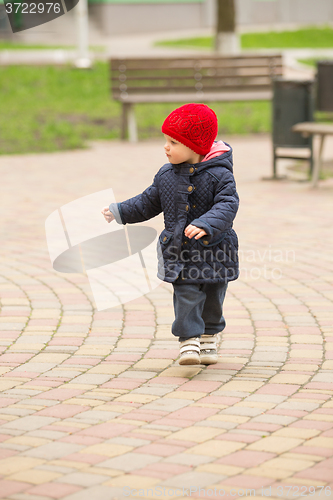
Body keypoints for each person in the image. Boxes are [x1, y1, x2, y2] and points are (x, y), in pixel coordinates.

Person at [101, 103, 239, 366]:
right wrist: (120, 211)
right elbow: (147, 202)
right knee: (186, 293)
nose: (166, 147)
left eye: (173, 142)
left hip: (216, 250)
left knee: (213, 296)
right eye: (166, 140)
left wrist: (207, 224)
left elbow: (227, 205)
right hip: (181, 251)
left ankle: (209, 337)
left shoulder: (220, 175)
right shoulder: (167, 175)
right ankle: (189, 341)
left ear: (196, 146)